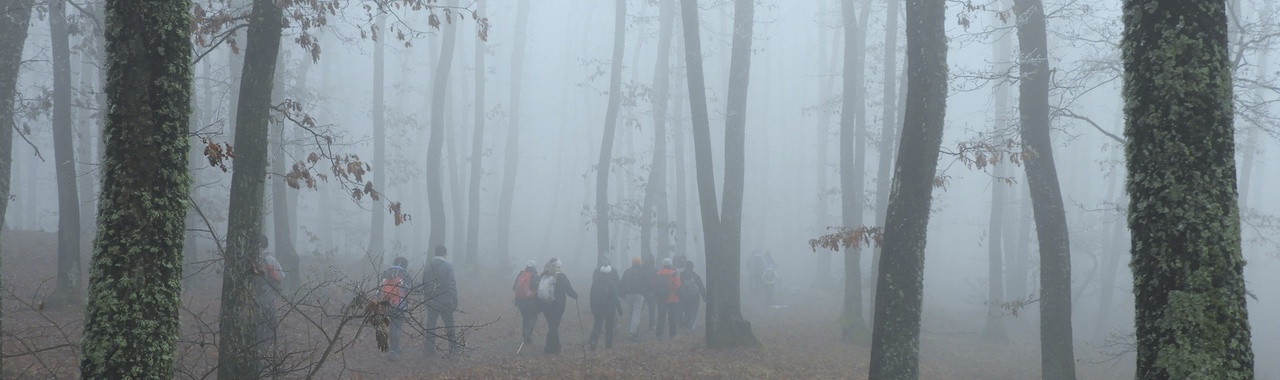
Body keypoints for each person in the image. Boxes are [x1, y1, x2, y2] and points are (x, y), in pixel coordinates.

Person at [423, 245, 459, 355]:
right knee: (449, 325)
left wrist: (427, 298)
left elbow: (424, 284)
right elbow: (451, 283)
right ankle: (453, 348)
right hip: (445, 300)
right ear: (445, 254)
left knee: (431, 324)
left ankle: (429, 349)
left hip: (431, 300)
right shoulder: (447, 267)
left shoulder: (428, 266)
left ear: (435, 253)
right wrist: (454, 298)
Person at [537, 258, 577, 354]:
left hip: (546, 305)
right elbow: (569, 290)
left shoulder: (544, 275)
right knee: (553, 327)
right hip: (558, 306)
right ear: (558, 266)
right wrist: (575, 295)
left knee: (552, 325)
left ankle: (556, 347)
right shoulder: (561, 276)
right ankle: (549, 349)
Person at [255, 235, 285, 353]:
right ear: (266, 245)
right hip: (267, 298)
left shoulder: (251, 259)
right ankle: (263, 351)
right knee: (270, 326)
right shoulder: (269, 259)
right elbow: (280, 277)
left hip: (253, 299)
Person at [588, 259, 623, 350]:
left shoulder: (595, 283)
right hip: (609, 309)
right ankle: (608, 344)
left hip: (597, 308)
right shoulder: (611, 283)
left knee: (597, 326)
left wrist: (592, 307)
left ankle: (593, 341)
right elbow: (615, 297)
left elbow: (591, 296)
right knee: (609, 327)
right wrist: (619, 309)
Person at [381, 256, 413, 359]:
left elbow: (380, 288)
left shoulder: (386, 273)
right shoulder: (404, 275)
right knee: (397, 327)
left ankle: (394, 347)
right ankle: (393, 350)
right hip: (400, 304)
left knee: (392, 326)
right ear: (405, 266)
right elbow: (408, 290)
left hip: (387, 304)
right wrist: (410, 301)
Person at [652, 257, 682, 339]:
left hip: (661, 299)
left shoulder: (658, 274)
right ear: (670, 265)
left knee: (661, 316)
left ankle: (659, 334)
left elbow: (653, 285)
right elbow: (678, 286)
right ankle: (672, 334)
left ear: (663, 265)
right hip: (673, 299)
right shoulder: (674, 274)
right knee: (672, 317)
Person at [512, 260, 540, 345]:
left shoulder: (521, 274)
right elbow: (537, 290)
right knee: (533, 317)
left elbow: (514, 288)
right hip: (531, 302)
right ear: (534, 267)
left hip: (520, 302)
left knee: (525, 318)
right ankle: (527, 336)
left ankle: (525, 334)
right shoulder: (535, 276)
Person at [619, 256, 646, 340]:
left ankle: (633, 329)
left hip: (628, 294)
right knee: (636, 313)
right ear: (639, 263)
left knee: (631, 313)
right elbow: (646, 283)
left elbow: (622, 283)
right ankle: (633, 332)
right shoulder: (642, 271)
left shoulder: (627, 271)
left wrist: (622, 295)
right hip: (639, 294)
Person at [678, 260, 705, 331]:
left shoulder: (681, 276)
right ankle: (690, 327)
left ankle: (686, 325)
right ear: (692, 267)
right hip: (694, 298)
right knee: (693, 312)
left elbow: (677, 287)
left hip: (683, 297)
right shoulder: (696, 276)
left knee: (686, 311)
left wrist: (678, 296)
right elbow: (701, 287)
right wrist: (705, 298)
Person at [641, 253, 659, 332]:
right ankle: (651, 326)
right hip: (652, 292)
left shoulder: (641, 268)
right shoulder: (655, 269)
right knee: (652, 310)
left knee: (639, 310)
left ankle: (636, 324)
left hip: (642, 292)